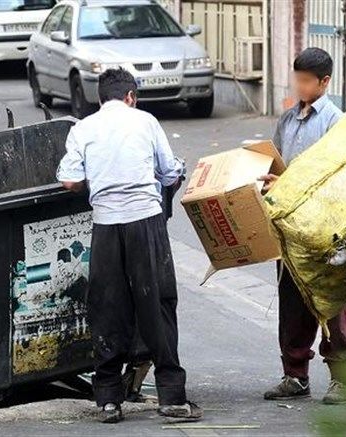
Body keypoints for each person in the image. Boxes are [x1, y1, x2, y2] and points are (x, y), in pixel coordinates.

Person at [57, 68, 202, 424]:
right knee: (159, 304)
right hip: (145, 224)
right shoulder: (146, 122)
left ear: (100, 98)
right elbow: (170, 173)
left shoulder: (83, 128)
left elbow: (70, 180)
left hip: (106, 227)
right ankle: (172, 398)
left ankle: (108, 400)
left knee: (108, 309)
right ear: (131, 96)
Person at [260, 47, 346, 404]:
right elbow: (279, 166)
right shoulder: (287, 120)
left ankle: (342, 378)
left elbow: (335, 175)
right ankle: (295, 374)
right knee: (292, 302)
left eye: (306, 81)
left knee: (331, 300)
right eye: (296, 79)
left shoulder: (336, 121)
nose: (299, 86)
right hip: (288, 226)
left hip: (325, 227)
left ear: (325, 82)